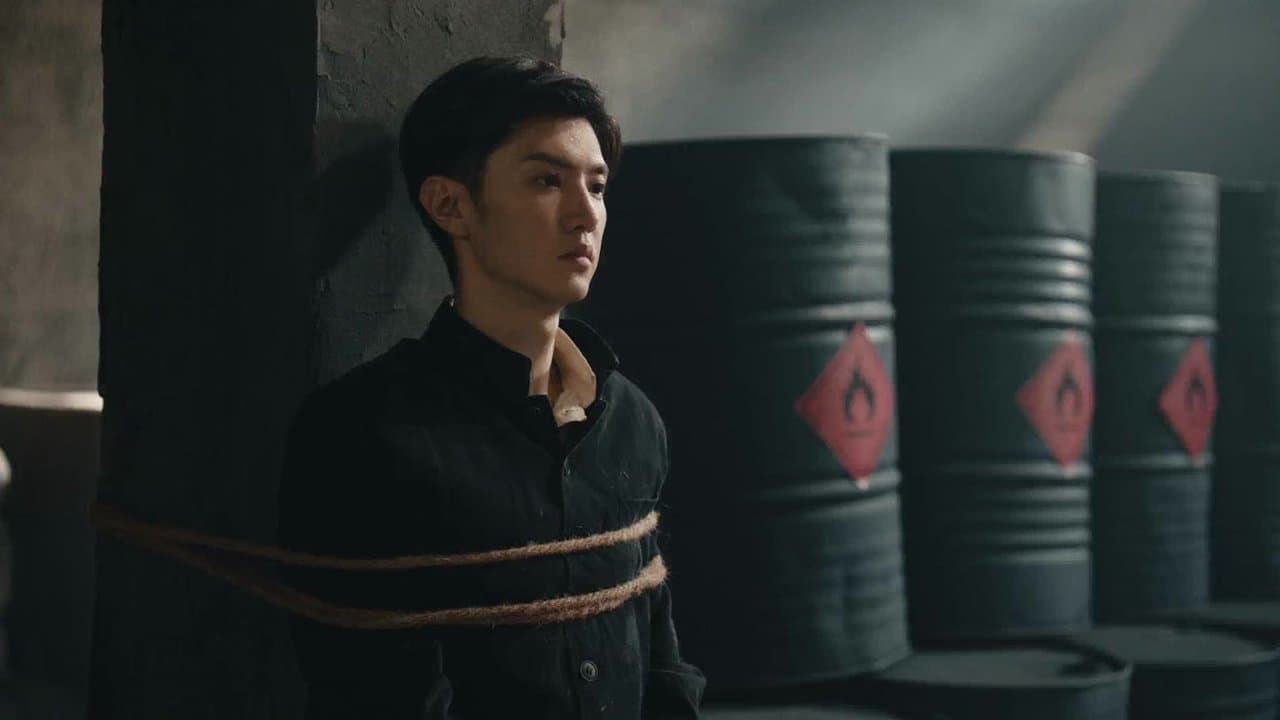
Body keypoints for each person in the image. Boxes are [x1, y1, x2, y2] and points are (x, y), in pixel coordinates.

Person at [276, 55, 706, 719]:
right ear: (451, 205)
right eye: (546, 180)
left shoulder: (631, 420)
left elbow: (659, 653)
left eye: (596, 186)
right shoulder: (363, 433)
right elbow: (377, 694)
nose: (585, 214)